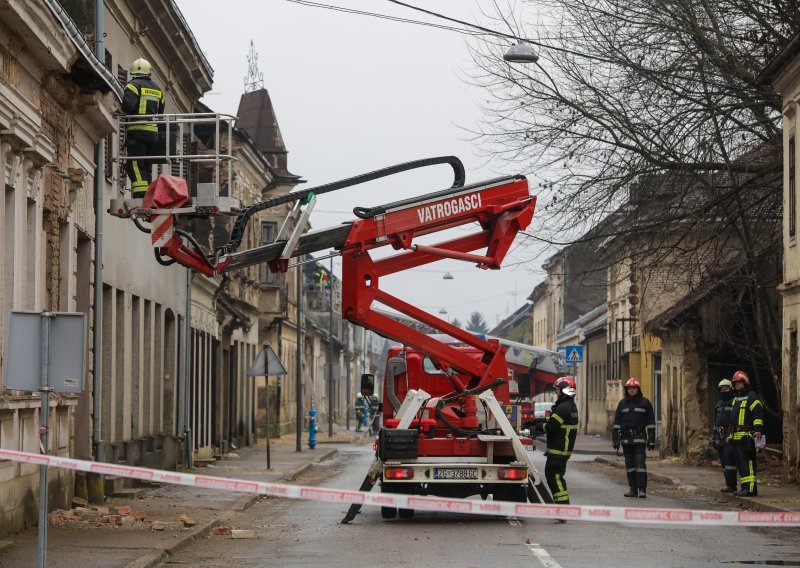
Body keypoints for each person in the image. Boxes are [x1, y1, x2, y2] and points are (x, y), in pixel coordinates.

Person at [121, 58, 165, 198]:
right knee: (146, 165)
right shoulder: (158, 90)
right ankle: (148, 191)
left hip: (137, 131)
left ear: (133, 72)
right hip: (152, 133)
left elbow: (129, 106)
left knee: (134, 163)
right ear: (149, 72)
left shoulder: (133, 86)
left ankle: (141, 193)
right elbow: (161, 111)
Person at [612, 377, 656, 498]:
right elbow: (616, 423)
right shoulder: (622, 403)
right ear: (626, 390)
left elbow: (651, 422)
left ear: (638, 389)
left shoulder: (645, 403)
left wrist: (651, 440)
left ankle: (642, 490)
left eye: (634, 388)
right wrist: (615, 439)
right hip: (626, 440)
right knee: (630, 467)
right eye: (629, 388)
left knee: (640, 466)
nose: (631, 390)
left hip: (639, 439)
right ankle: (633, 489)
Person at [544, 376, 579, 513]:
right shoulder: (569, 406)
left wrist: (536, 427)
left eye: (557, 390)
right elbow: (556, 422)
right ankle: (561, 508)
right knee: (555, 477)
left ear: (565, 391)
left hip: (558, 450)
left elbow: (550, 428)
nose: (556, 393)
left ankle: (563, 509)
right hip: (561, 450)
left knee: (555, 478)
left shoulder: (563, 407)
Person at [728, 370, 764, 497]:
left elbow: (758, 414)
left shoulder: (752, 396)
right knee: (741, 465)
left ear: (745, 382)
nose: (737, 385)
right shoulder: (736, 398)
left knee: (748, 464)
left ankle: (750, 489)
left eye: (739, 382)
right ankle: (744, 488)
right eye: (735, 383)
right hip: (736, 438)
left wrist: (758, 429)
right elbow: (733, 418)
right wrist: (730, 435)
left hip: (746, 437)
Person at [712, 378, 737, 493]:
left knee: (730, 462)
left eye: (726, 388)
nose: (723, 391)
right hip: (720, 438)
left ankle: (732, 486)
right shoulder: (718, 404)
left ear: (731, 389)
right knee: (724, 463)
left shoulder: (735, 402)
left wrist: (732, 435)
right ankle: (728, 484)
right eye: (721, 389)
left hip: (729, 438)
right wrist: (714, 438)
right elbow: (715, 423)